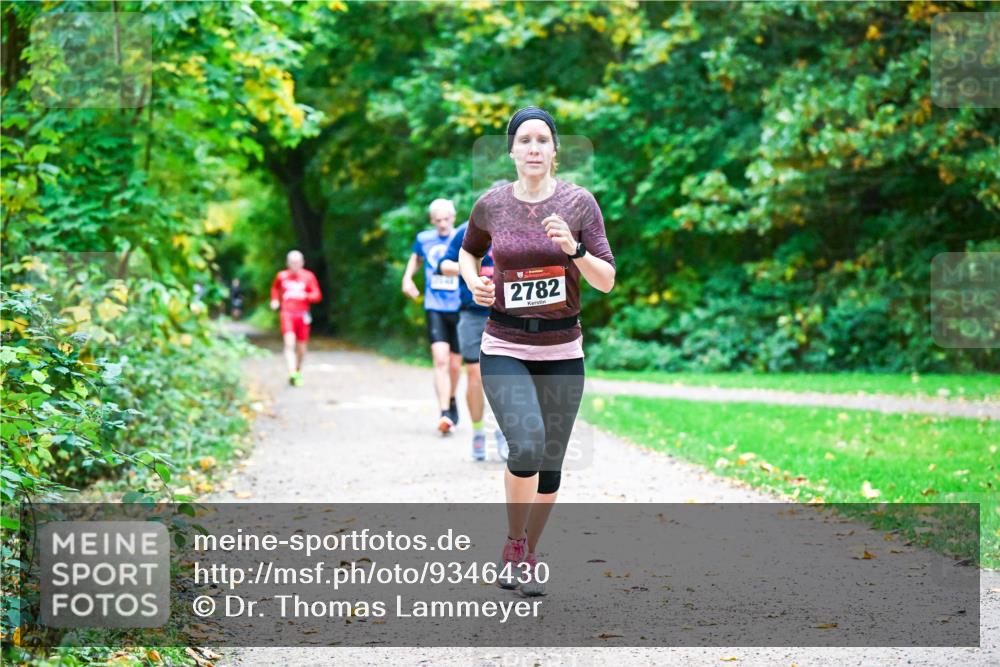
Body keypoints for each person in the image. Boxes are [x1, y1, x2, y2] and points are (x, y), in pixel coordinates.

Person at [459, 107, 616, 596]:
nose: (532, 148)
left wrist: (574, 250)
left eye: (542, 141)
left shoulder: (579, 203)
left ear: (554, 151)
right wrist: (475, 284)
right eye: (524, 140)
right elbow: (468, 253)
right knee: (525, 446)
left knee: (550, 463)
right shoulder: (491, 204)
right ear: (511, 150)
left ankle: (527, 553)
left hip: (563, 347)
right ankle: (512, 542)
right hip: (504, 341)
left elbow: (606, 281)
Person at [437, 181, 510, 462]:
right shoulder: (468, 231)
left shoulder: (518, 232)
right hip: (472, 313)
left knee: (505, 379)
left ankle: (504, 432)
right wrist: (471, 271)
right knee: (476, 376)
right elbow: (444, 264)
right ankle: (478, 431)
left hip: (507, 314)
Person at [401, 199, 463, 434]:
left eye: (446, 219)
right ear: (431, 221)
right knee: (440, 360)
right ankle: (444, 412)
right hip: (434, 305)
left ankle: (452, 397)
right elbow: (416, 258)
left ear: (453, 218)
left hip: (459, 306)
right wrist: (407, 278)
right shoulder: (424, 239)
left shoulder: (462, 236)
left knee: (456, 365)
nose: (443, 224)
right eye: (438, 220)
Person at [270, 250, 322, 386]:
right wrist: (275, 300)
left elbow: (317, 295)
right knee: (289, 344)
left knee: (301, 348)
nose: (295, 265)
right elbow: (275, 289)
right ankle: (292, 372)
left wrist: (306, 296)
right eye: (292, 262)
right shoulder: (281, 276)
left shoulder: (308, 277)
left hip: (302, 315)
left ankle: (297, 370)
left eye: (297, 262)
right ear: (287, 263)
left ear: (302, 263)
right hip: (287, 314)